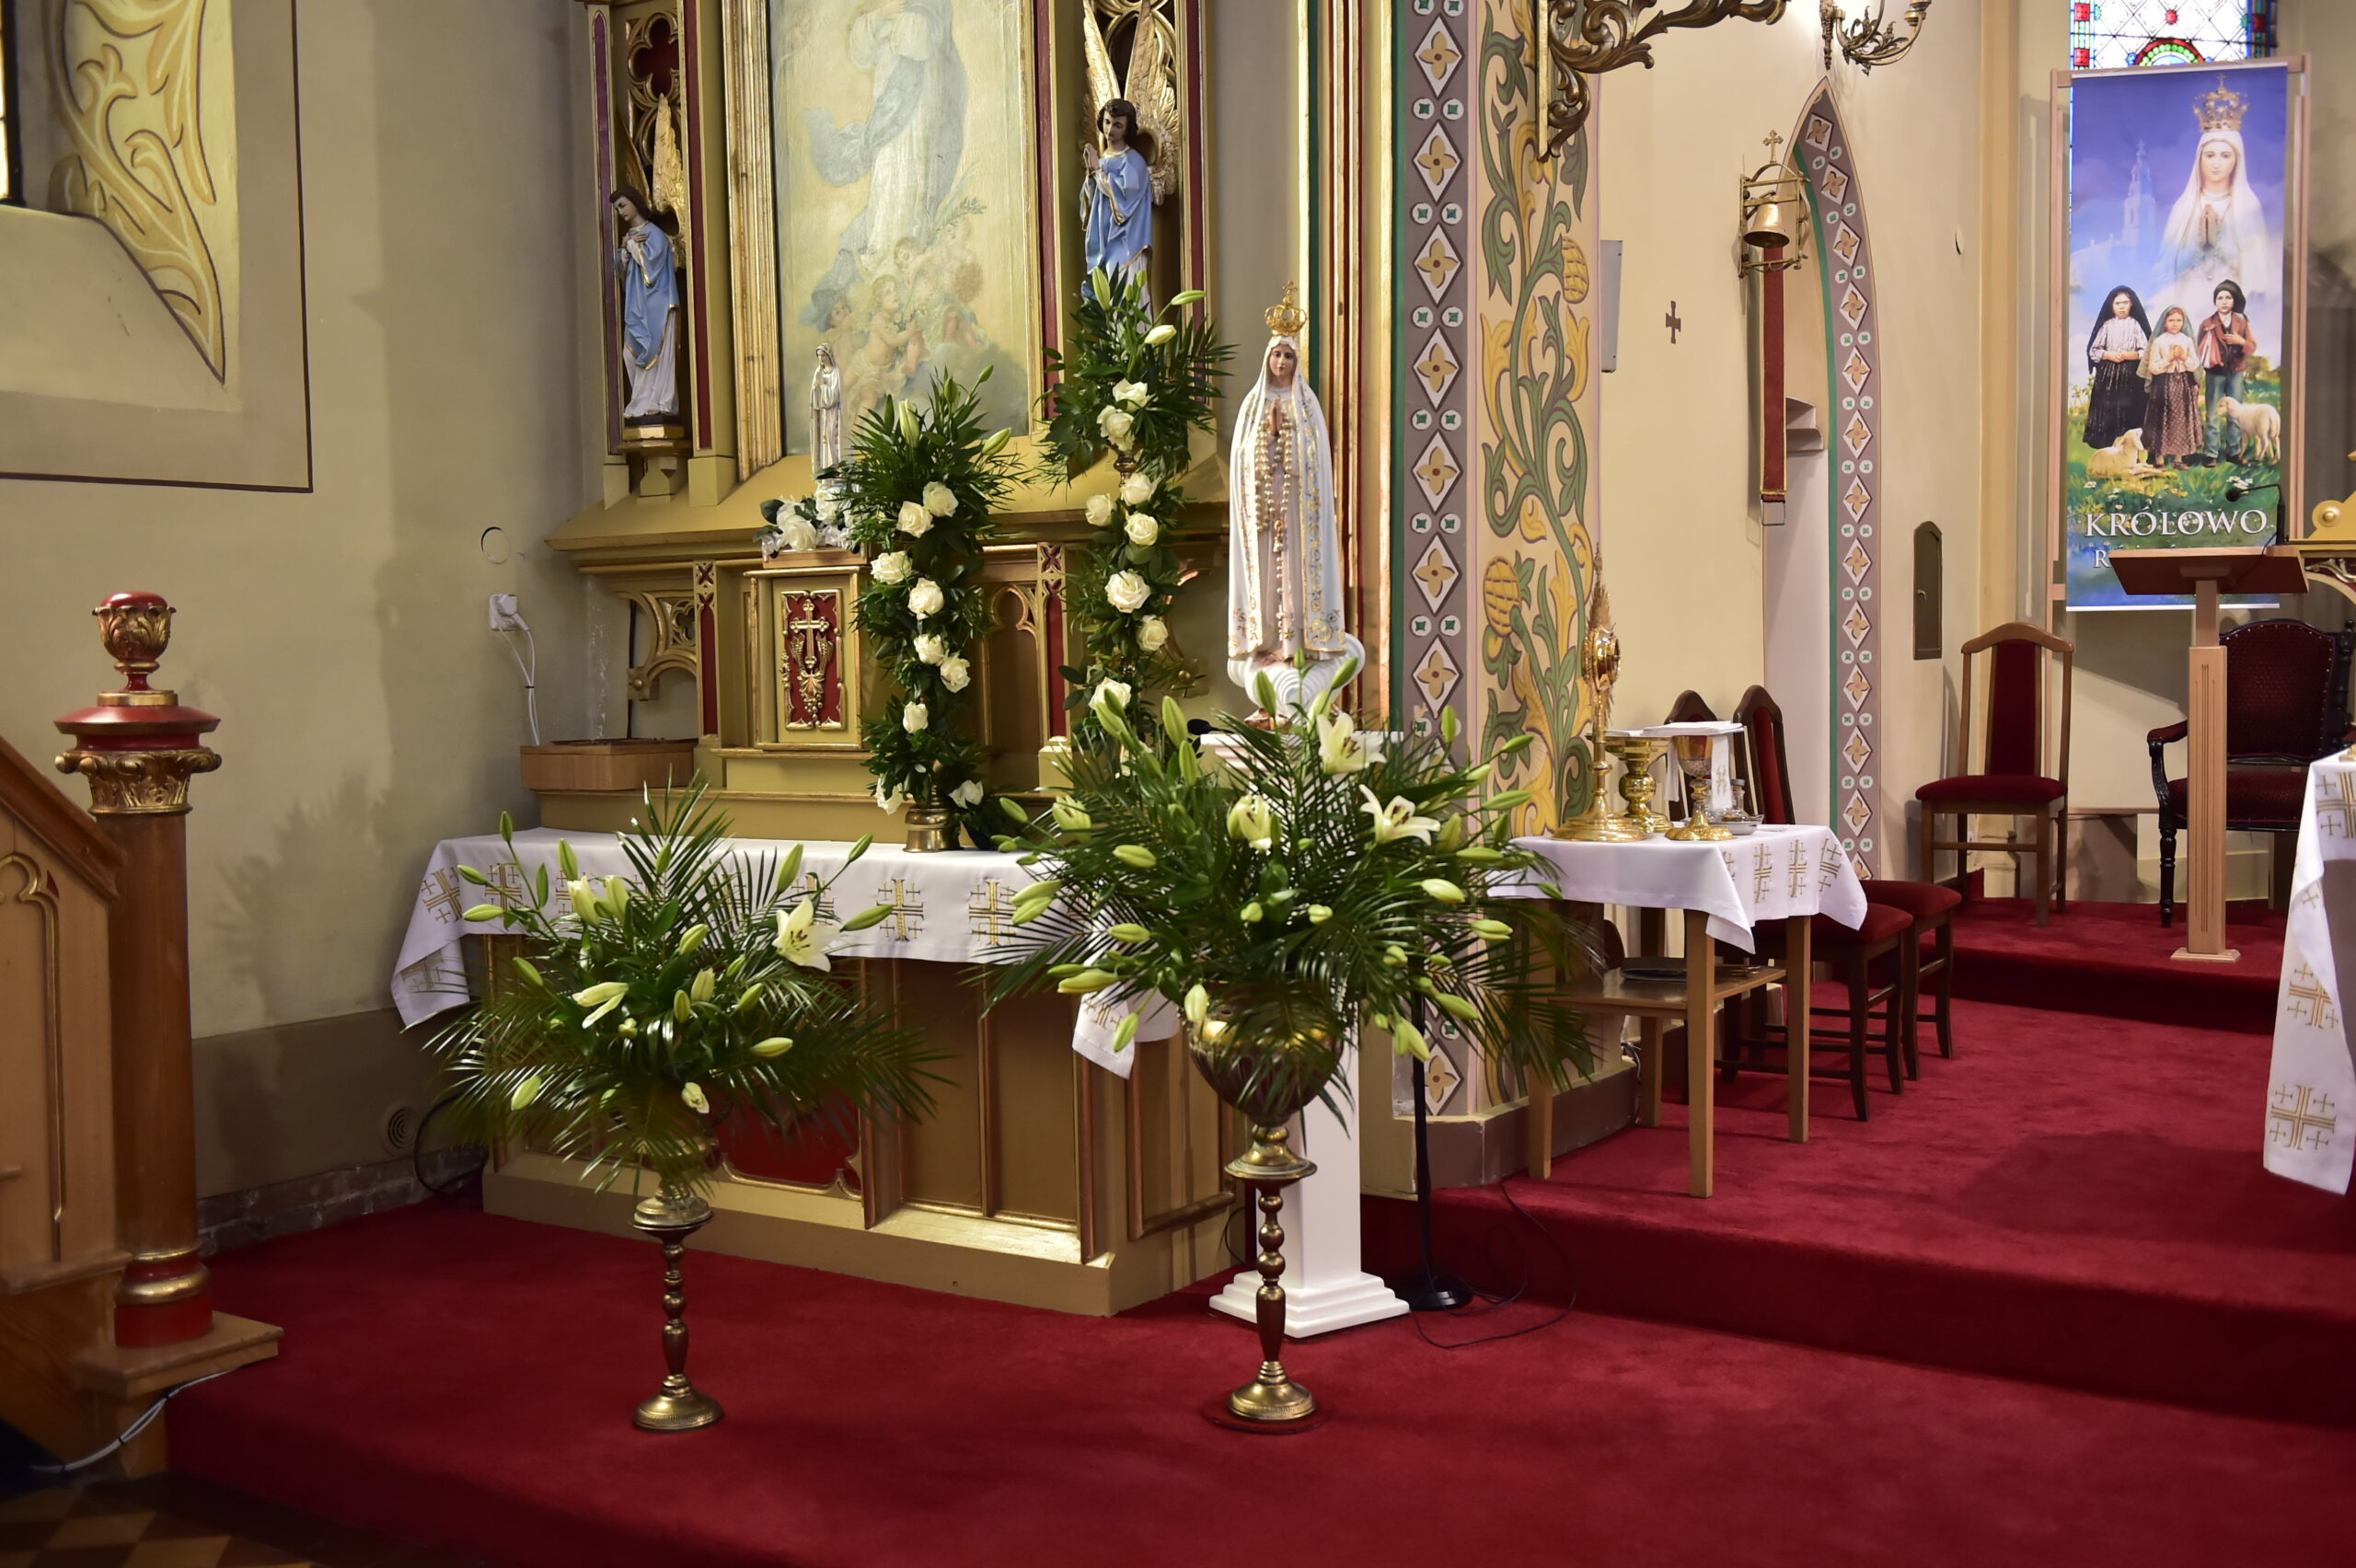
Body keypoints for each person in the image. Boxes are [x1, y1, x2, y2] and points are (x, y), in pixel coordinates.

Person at [1226, 284, 1364, 719]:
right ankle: (1268, 645)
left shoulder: (1306, 405)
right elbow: (1242, 460)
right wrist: (1268, 435)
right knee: (1267, 579)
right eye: (1277, 355)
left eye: (1288, 355)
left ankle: (1299, 647)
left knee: (1297, 578)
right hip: (1264, 517)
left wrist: (1288, 437)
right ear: (1267, 359)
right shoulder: (1253, 405)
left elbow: (1316, 462)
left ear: (1296, 361)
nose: (1282, 362)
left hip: (1299, 516)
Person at [2154, 80, 2273, 324]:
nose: (2216, 164)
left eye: (2225, 155)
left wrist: (2220, 242)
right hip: (2187, 302)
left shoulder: (2248, 206)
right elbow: (2164, 270)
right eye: (2210, 155)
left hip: (2231, 304)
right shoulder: (2184, 207)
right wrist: (2198, 247)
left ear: (2237, 160)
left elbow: (2259, 272)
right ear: (2199, 159)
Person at [610, 189, 679, 421]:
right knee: (629, 353)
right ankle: (640, 399)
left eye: (622, 205)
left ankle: (659, 401)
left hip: (658, 303)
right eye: (617, 208)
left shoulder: (655, 234)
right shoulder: (630, 237)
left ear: (635, 203)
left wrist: (632, 247)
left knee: (659, 352)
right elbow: (622, 272)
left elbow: (652, 268)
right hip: (636, 305)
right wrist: (624, 249)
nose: (620, 212)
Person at [1080, 98, 1153, 294]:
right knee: (1104, 293)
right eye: (1107, 122)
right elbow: (1090, 203)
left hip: (1126, 244)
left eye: (1117, 125)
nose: (1110, 129)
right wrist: (1090, 175)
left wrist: (1097, 171)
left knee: (1122, 292)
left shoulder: (1134, 162)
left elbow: (1124, 201)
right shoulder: (1103, 160)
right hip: (1102, 241)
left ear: (1127, 129)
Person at [2083, 285, 2152, 453]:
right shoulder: (2107, 325)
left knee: (2129, 408)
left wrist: (2129, 355)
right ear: (2111, 306)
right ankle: (2107, 444)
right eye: (2118, 303)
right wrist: (2109, 355)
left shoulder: (2135, 325)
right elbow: (2094, 350)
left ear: (2131, 304)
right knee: (2109, 407)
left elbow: (2145, 350)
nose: (2121, 307)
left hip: (2131, 375)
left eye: (2125, 303)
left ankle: (2129, 445)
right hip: (2109, 375)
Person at [2196, 279, 2256, 465]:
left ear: (2234, 300)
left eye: (2228, 297)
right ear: (2215, 301)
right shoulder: (2207, 323)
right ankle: (2211, 453)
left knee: (2235, 413)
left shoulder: (2242, 322)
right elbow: (2199, 350)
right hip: (2214, 373)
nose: (2223, 301)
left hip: (2236, 372)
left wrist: (2241, 341)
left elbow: (2252, 347)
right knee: (2213, 413)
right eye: (2220, 298)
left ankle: (2234, 452)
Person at [2140, 306, 2202, 467]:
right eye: (2171, 320)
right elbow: (2153, 368)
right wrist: (2169, 358)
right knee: (2162, 420)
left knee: (2181, 420)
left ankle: (2178, 459)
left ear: (2184, 322)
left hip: (2183, 383)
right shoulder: (2159, 341)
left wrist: (2184, 357)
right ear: (2165, 322)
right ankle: (2159, 459)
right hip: (2164, 384)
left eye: (2179, 320)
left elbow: (2194, 365)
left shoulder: (2187, 341)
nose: (2175, 324)